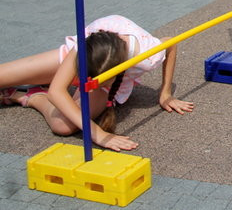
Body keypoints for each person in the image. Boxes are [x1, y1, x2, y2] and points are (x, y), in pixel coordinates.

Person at [0, 15, 193, 152]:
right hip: (83, 58)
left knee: (62, 125)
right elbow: (57, 91)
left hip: (106, 81)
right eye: (84, 77)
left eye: (91, 79)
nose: (84, 82)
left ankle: (31, 96)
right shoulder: (85, 45)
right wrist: (72, 74)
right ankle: (51, 78)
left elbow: (171, 43)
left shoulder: (146, 55)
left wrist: (165, 93)